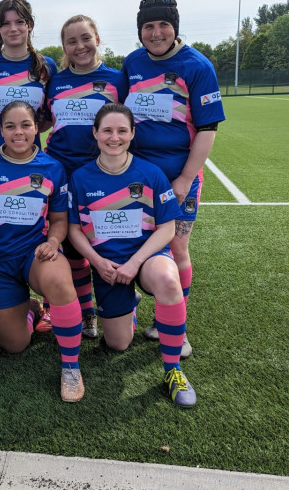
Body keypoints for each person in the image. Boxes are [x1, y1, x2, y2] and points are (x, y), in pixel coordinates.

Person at [68, 103, 196, 407]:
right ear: (95, 133)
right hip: (108, 267)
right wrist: (98, 262)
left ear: (132, 133)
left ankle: (173, 370)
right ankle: (130, 305)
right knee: (117, 344)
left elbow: (167, 227)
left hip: (146, 258)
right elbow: (73, 230)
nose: (115, 137)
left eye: (122, 130)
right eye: (108, 130)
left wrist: (136, 262)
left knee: (167, 278)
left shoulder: (151, 174)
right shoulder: (81, 178)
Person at [122, 0, 225, 358]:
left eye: (163, 25)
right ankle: (127, 307)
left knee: (177, 246)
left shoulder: (197, 65)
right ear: (140, 31)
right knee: (129, 241)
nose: (156, 33)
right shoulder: (133, 62)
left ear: (175, 27)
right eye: (148, 26)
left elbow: (208, 129)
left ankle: (173, 328)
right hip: (134, 176)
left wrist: (184, 179)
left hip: (177, 175)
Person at [0, 101, 85, 402]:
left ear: (37, 128)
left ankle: (71, 367)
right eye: (10, 126)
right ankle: (33, 309)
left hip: (35, 255)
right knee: (14, 345)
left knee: (60, 281)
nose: (18, 132)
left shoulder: (52, 168)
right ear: (0, 129)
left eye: (25, 125)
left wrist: (54, 241)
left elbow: (59, 220)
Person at [43, 14, 129, 339]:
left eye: (85, 38)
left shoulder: (118, 80)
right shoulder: (56, 81)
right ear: (64, 46)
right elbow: (43, 121)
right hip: (61, 174)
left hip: (103, 176)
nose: (80, 46)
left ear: (97, 39)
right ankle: (87, 312)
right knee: (72, 248)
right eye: (72, 41)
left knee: (107, 241)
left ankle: (120, 306)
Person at [0, 0, 57, 155]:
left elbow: (49, 116)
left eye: (19, 22)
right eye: (6, 23)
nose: (13, 28)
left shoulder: (46, 66)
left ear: (30, 25)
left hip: (31, 158)